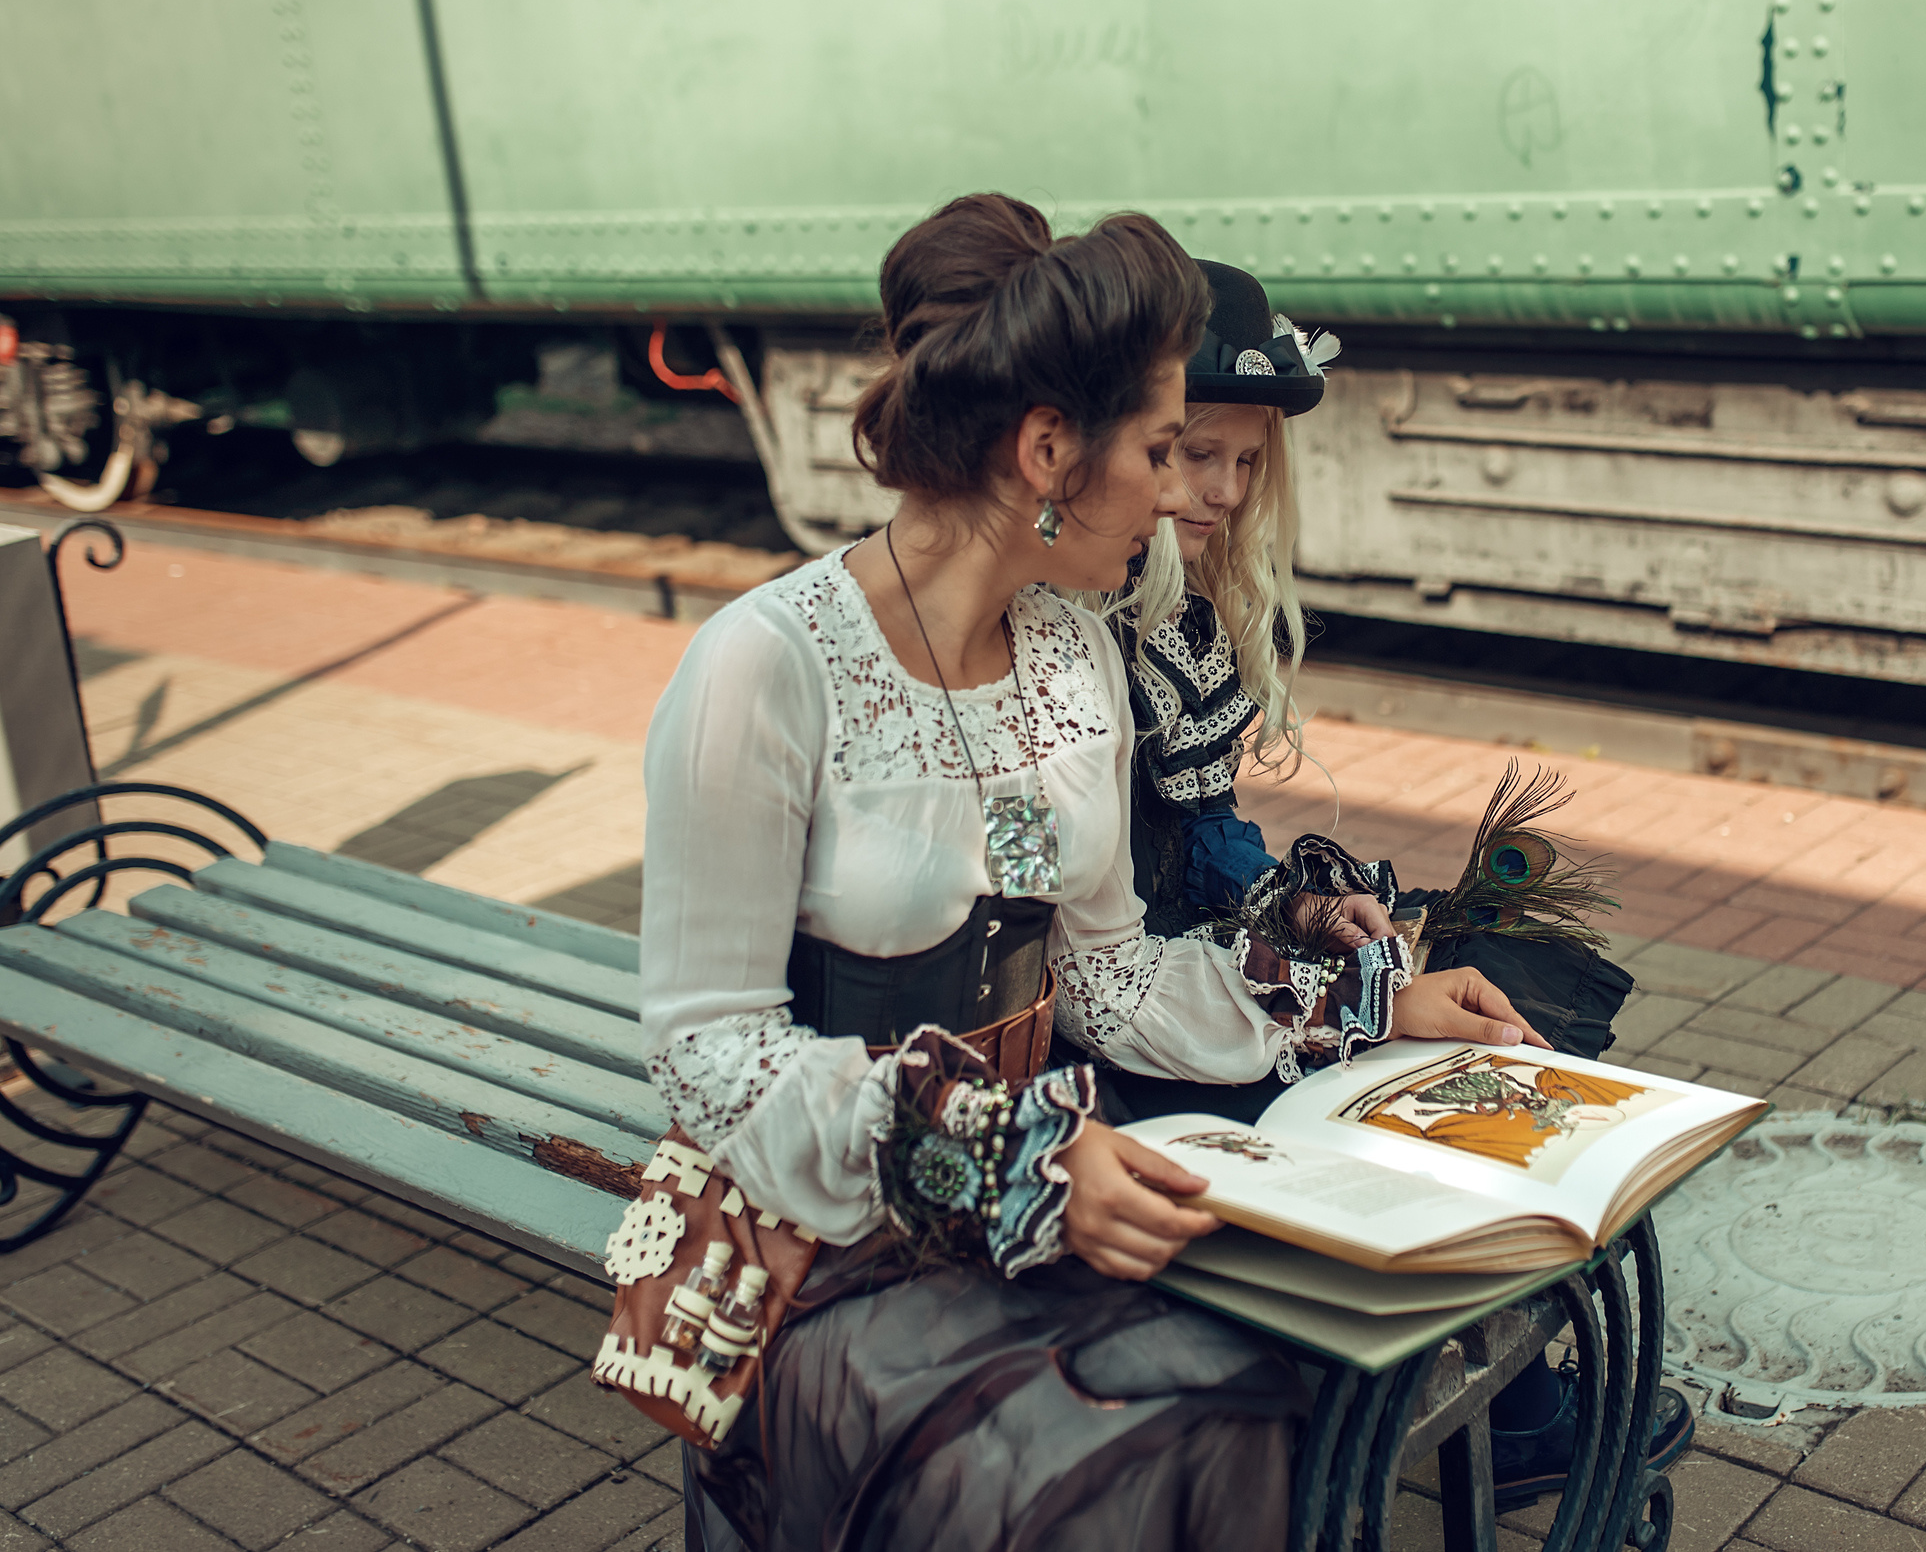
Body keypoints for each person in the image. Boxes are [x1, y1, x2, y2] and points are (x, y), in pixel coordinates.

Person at [639, 196, 1546, 1551]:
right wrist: (1012, 1158)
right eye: (1165, 449)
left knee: (1247, 1388)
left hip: (1033, 1204)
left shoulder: (1074, 659)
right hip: (818, 1241)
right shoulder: (764, 668)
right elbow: (708, 1056)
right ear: (1050, 449)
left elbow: (1106, 977)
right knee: (1134, 1442)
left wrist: (1365, 1000)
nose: (1187, 491)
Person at [1089, 259, 1688, 1509]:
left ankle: (1510, 1398)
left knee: (1472, 998)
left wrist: (1298, 912)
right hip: (1118, 1047)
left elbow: (1203, 834)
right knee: (1403, 1065)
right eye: (1195, 452)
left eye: (1246, 463)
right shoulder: (1079, 643)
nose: (1222, 489)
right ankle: (1507, 1411)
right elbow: (1109, 965)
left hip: (1185, 985)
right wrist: (1345, 993)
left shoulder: (1176, 617)